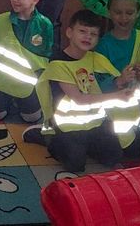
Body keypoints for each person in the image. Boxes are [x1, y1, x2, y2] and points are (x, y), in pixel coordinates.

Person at [31, 10, 133, 172]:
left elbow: (109, 82)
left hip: (94, 122)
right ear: (69, 32)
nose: (88, 37)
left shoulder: (94, 58)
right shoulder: (58, 63)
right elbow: (79, 99)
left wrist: (122, 79)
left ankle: (84, 146)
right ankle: (49, 138)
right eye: (83, 31)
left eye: (93, 34)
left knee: (114, 156)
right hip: (67, 125)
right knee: (75, 164)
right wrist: (116, 96)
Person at [95, 0, 140, 157]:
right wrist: (119, 80)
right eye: (118, 12)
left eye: (129, 13)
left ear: (138, 13)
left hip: (138, 109)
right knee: (113, 152)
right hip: (110, 110)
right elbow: (96, 83)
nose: (123, 18)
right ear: (109, 12)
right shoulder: (103, 45)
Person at [0, 0, 52, 122]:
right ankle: (4, 98)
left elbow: (46, 55)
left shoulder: (45, 25)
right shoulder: (1, 19)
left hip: (27, 83)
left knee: (32, 117)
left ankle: (22, 99)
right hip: (1, 80)